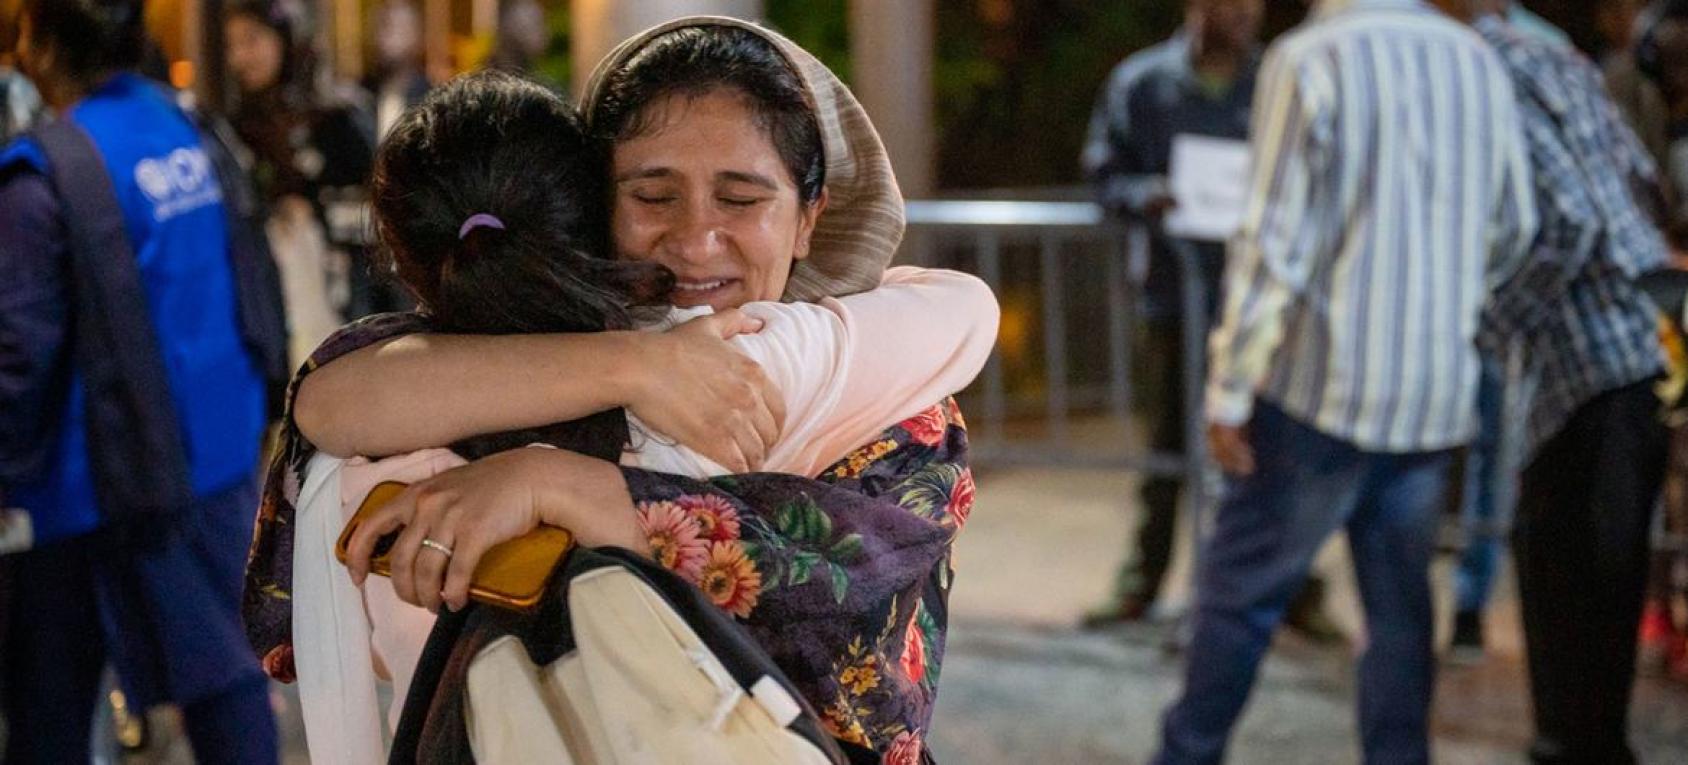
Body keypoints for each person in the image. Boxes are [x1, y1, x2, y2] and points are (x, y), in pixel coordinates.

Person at [244, 19, 997, 762]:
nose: (695, 240)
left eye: (740, 199)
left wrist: (559, 485)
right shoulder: (514, 350)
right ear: (592, 202)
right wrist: (636, 364)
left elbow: (853, 602)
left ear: (809, 217)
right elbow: (332, 399)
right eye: (653, 196)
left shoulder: (884, 385)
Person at [1152, 0, 1537, 762]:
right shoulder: (1477, 61)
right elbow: (1516, 226)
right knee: (1399, 618)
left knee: (1238, 601)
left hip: (1320, 393)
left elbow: (1273, 244)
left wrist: (1230, 390)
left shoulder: (1311, 58)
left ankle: (1186, 754)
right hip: (1431, 396)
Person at [0, 1, 281, 762]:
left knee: (50, 712)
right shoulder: (185, 125)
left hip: (88, 487)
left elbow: (17, 358)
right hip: (214, 454)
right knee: (226, 683)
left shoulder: (44, 171)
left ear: (44, 44)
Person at [1457, 2, 1676, 761]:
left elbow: (1568, 223)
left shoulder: (1483, 68)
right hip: (1644, 349)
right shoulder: (1551, 54)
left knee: (1571, 631)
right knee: (1602, 621)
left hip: (1585, 374)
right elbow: (1642, 180)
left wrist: (1483, 328)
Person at [1079, 0, 1337, 639]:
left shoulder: (1280, 79)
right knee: (1168, 448)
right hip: (1175, 300)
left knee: (1276, 449)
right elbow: (1103, 173)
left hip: (1265, 309)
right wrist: (1146, 195)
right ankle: (1143, 582)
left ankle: (1294, 590)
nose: (1245, 12)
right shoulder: (1142, 84)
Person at [225, 0, 378, 354]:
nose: (240, 57)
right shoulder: (238, 128)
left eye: (251, 40)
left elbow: (382, 210)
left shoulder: (338, 117)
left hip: (350, 307)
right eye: (231, 45)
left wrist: (312, 208)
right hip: (278, 310)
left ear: (286, 37)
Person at [364, 0, 430, 140]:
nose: (384, 38)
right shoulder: (358, 100)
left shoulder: (431, 101)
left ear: (416, 36)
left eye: (395, 28)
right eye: (380, 26)